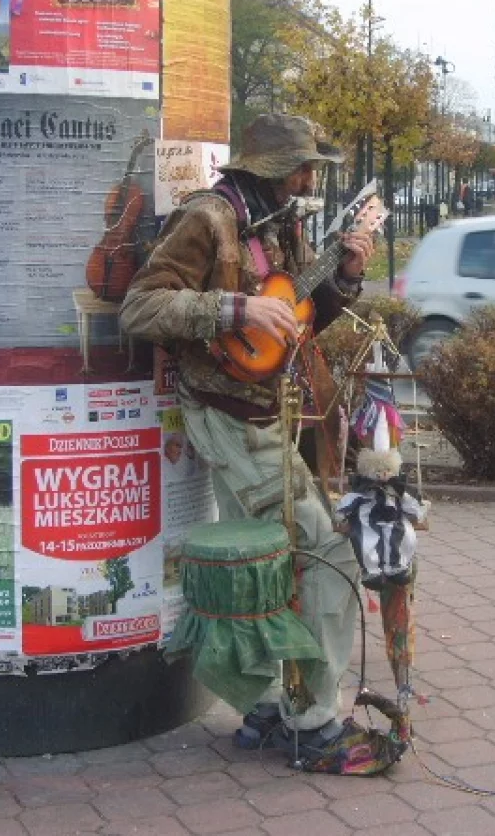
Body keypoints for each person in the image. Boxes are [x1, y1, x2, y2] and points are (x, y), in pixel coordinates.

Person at [119, 113, 383, 765]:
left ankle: (266, 705)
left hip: (265, 411)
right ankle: (312, 718)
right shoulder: (208, 219)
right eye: (303, 166)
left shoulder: (282, 223)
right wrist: (234, 307)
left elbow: (292, 323)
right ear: (270, 166)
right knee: (329, 553)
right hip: (226, 416)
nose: (310, 177)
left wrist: (344, 275)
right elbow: (140, 306)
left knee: (264, 562)